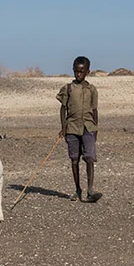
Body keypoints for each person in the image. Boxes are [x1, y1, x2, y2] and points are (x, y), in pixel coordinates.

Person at [57, 56, 101, 203]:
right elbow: (63, 109)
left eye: (81, 72)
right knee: (74, 160)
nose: (78, 74)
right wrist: (63, 127)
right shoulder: (68, 88)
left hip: (88, 127)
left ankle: (90, 190)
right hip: (72, 128)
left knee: (89, 157)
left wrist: (96, 128)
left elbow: (95, 110)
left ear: (87, 72)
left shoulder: (92, 89)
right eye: (76, 71)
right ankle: (77, 190)